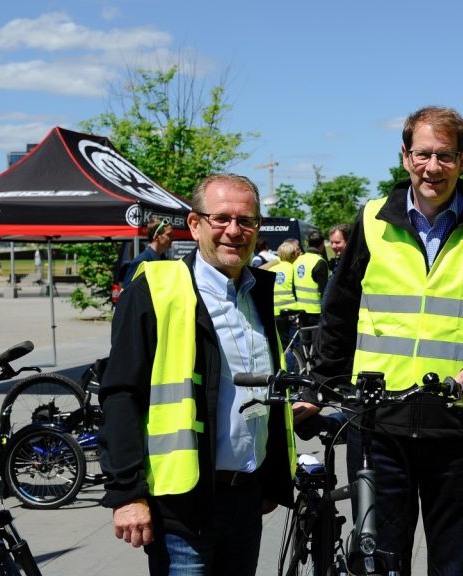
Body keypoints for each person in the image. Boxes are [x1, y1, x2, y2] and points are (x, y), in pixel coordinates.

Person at [313, 105, 463, 575]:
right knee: (380, 564)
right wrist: (320, 389)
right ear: (404, 156)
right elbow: (339, 313)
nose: (432, 167)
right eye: (423, 155)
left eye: (445, 156)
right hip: (377, 426)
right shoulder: (372, 219)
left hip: (458, 429)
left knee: (453, 567)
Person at [98, 173, 295, 575]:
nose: (234, 231)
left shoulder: (260, 293)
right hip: (182, 508)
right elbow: (120, 393)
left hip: (247, 498)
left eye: (246, 221)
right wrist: (126, 494)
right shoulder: (156, 288)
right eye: (221, 218)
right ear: (194, 224)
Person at [269, 239, 301, 369]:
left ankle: (281, 370)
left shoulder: (273, 269)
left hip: (275, 312)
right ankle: (292, 373)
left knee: (282, 345)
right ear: (293, 254)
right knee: (293, 345)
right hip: (291, 311)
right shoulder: (294, 268)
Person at [121, 218, 175, 291]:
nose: (172, 238)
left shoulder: (163, 259)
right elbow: (124, 292)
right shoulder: (141, 261)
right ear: (156, 236)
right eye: (169, 235)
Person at [291, 229, 329, 325]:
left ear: (308, 244)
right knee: (317, 340)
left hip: (300, 310)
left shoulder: (298, 260)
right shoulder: (320, 262)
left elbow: (293, 287)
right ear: (322, 245)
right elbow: (324, 290)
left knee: (304, 339)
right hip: (316, 311)